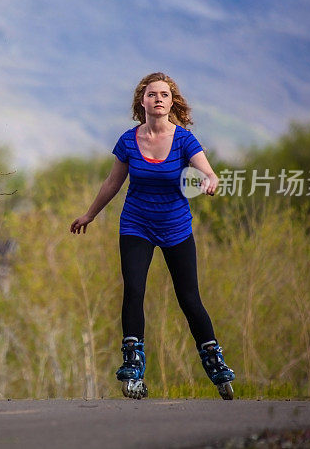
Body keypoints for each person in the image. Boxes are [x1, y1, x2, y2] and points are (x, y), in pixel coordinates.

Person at [69, 71, 235, 400]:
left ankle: (214, 361)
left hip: (176, 227)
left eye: (164, 94)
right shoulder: (129, 141)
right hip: (136, 225)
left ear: (172, 102)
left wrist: (210, 181)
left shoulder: (185, 139)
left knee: (189, 298)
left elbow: (208, 171)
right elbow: (112, 183)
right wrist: (89, 214)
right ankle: (132, 366)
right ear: (141, 102)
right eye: (151, 94)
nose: (157, 99)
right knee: (134, 290)